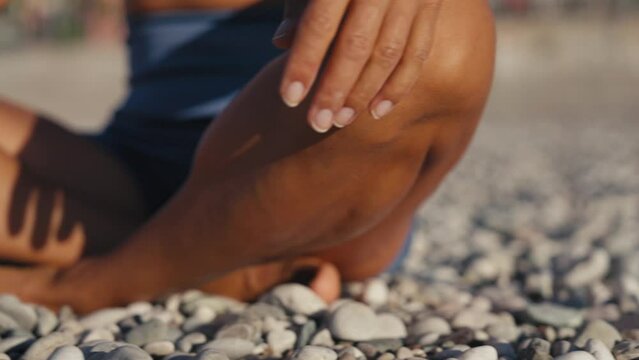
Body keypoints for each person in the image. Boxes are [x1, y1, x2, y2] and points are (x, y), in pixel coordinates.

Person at [0, 0, 495, 313]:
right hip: (127, 166)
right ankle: (219, 271)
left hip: (307, 169)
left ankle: (91, 286)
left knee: (450, 34)